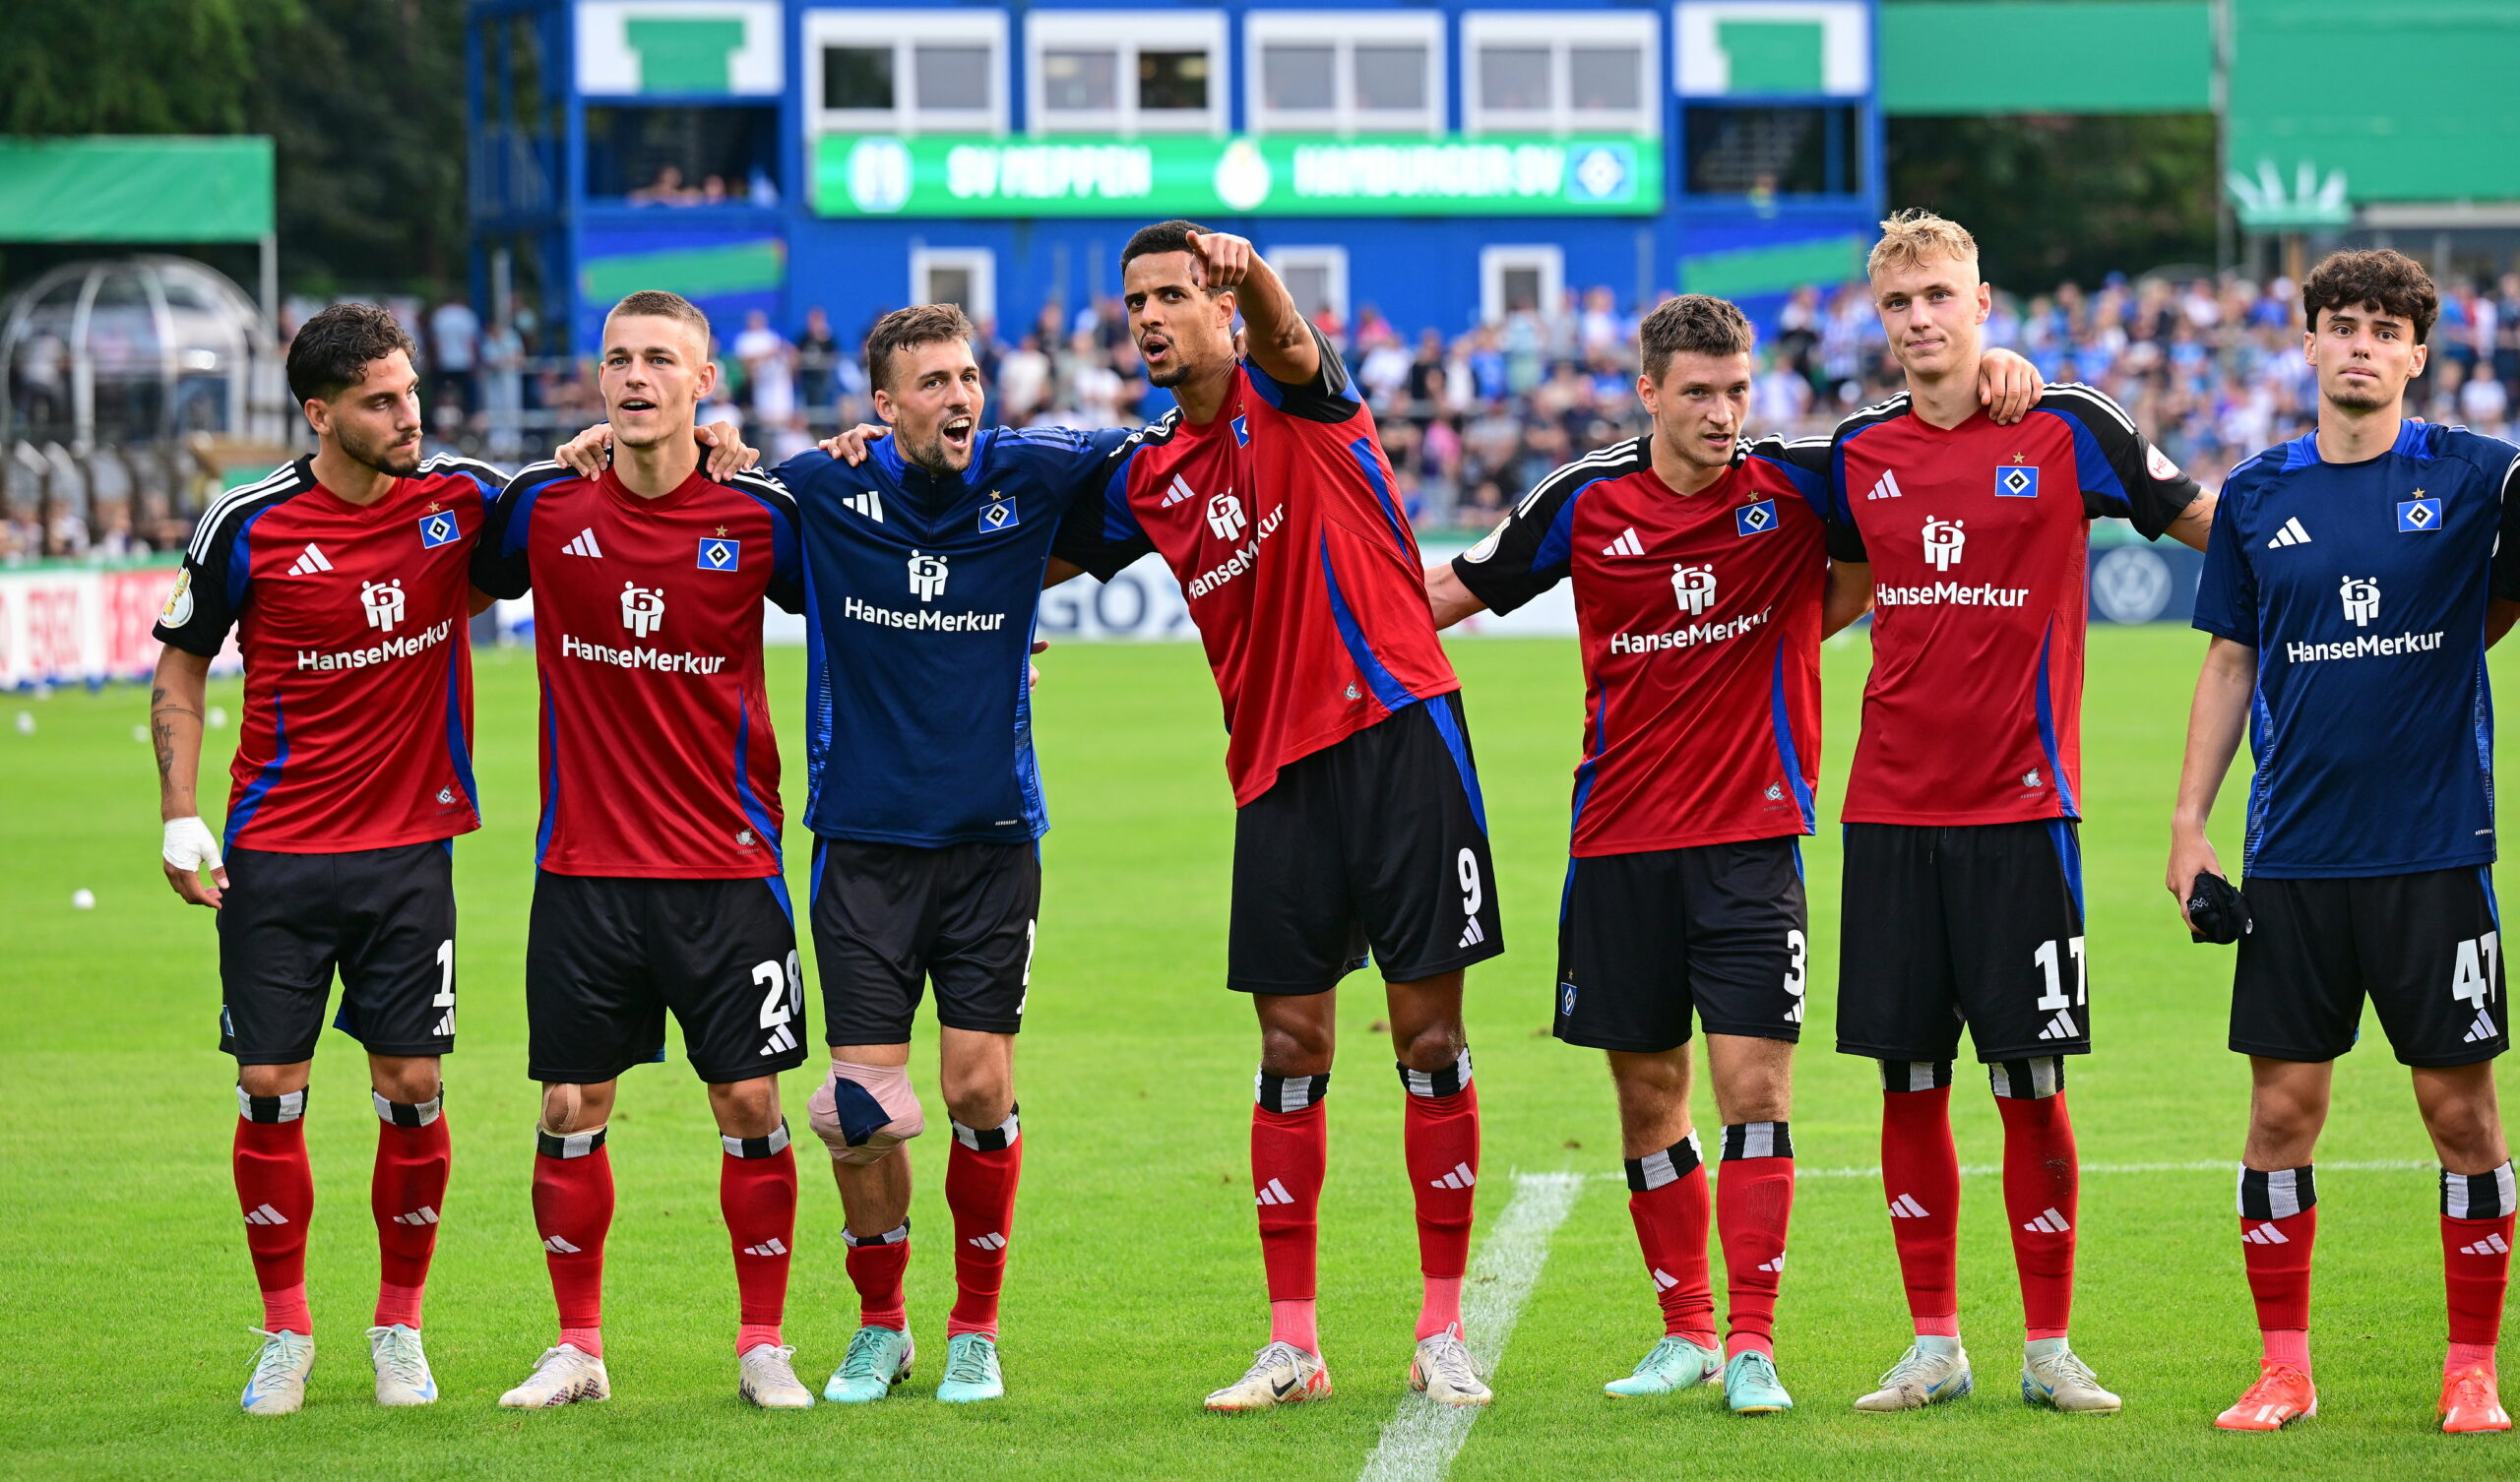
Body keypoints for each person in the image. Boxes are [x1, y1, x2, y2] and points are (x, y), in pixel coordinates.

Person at [1424, 295, 2036, 1416]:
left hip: (1752, 843)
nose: (1721, 413)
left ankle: (1752, 1342)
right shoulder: (1582, 498)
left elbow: (1922, 436)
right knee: (1648, 1094)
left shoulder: (1796, 481)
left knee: (1755, 1088)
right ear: (1649, 391)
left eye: (1737, 391)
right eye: (1698, 393)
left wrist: (1994, 364)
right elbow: (1446, 595)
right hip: (1615, 843)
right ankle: (1685, 1333)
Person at [555, 303, 1135, 1407]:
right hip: (862, 848)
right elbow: (696, 489)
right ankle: (882, 1326)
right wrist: (620, 447)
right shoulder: (818, 491)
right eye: (932, 383)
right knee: (859, 1113)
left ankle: (976, 1326)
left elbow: (1157, 461)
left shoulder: (1033, 475)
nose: (958, 398)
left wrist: (1016, 612)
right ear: (881, 404)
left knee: (974, 1088)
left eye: (968, 377)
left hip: (994, 840)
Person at [1050, 222, 1502, 1410]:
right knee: (1290, 1049)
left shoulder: (1299, 399)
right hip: (1276, 777)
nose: (1148, 317)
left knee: (1428, 1044)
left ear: (1221, 307)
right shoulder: (1148, 474)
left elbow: (1294, 341)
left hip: (1402, 737)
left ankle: (1443, 1326)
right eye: (1134, 301)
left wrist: (1247, 270)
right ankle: (1291, 1343)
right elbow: (1015, 545)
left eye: (1173, 295)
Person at [1809, 210, 2214, 1415]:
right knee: (1906, 1082)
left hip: (2023, 813)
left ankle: (2048, 1348)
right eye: (1897, 304)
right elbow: (1815, 599)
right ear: (1878, 322)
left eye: (1938, 295)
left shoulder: (2062, 423)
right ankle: (1933, 1345)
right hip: (1886, 814)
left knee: (2030, 1081)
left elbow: (2201, 518)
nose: (1920, 319)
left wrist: (2318, 583)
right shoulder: (1856, 454)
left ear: (1983, 301)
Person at [2168, 249, 2520, 1434]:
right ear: (2308, 345)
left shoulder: (2478, 477)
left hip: (2433, 854)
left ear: (2418, 354)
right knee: (2279, 1115)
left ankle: (2471, 1367)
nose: (2361, 344)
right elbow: (2227, 660)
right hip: (2296, 860)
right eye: (2341, 325)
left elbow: (2496, 606)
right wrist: (2186, 824)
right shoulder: (2258, 495)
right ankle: (2283, 1368)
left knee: (2460, 1114)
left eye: (2384, 329)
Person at [150, 303, 504, 1416]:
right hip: (277, 855)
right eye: (381, 402)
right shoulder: (245, 523)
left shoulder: (459, 500)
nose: (410, 416)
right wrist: (177, 812)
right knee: (270, 1090)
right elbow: (181, 668)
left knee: (412, 1086)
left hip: (410, 856)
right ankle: (287, 1333)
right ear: (320, 413)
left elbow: (581, 508)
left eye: (411, 395)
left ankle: (399, 1326)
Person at [472, 290, 813, 1411]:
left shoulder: (763, 515)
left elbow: (874, 599)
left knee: (751, 1108)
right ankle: (577, 1349)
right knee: (570, 1107)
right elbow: (428, 556)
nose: (635, 377)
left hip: (726, 871)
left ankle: (762, 1343)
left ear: (703, 382)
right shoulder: (543, 507)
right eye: (618, 358)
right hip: (584, 873)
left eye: (660, 359)